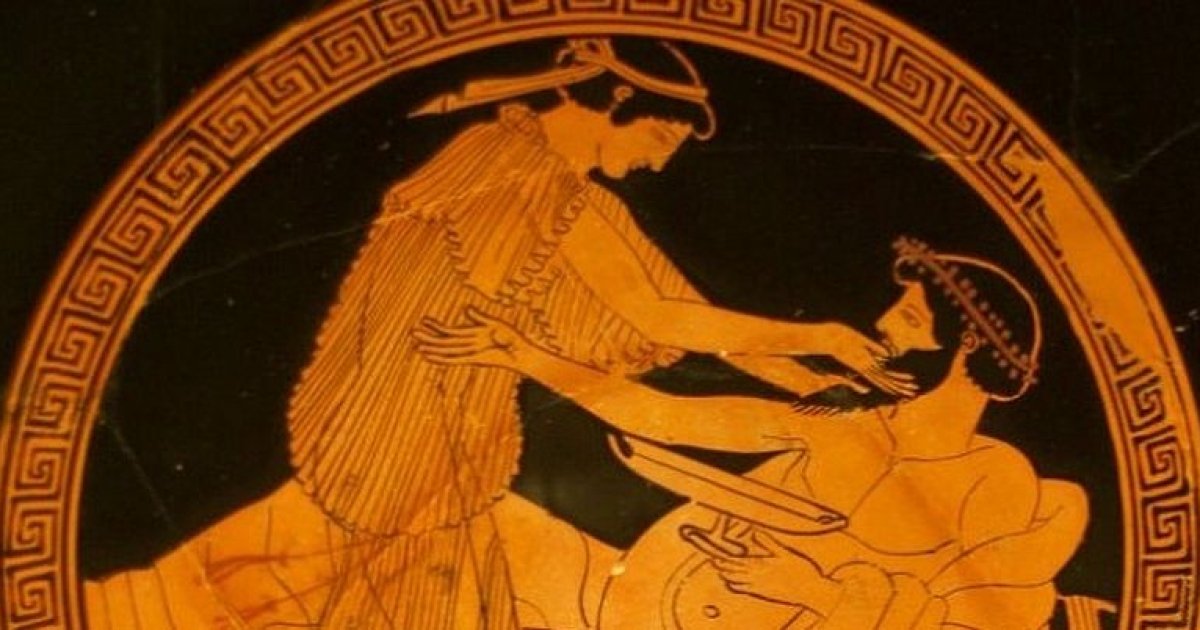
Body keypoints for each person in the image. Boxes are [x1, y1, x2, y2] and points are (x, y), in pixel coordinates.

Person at [84, 39, 907, 629]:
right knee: (316, 572)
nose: (659, 163)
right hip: (398, 420)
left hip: (457, 428)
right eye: (659, 138)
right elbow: (655, 316)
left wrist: (813, 379)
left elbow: (681, 312)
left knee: (392, 586)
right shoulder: (505, 166)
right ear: (617, 103)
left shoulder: (565, 190)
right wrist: (825, 340)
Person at [415, 237, 1090, 629]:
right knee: (471, 521)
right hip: (650, 608)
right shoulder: (838, 424)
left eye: (912, 319)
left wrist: (811, 589)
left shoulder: (994, 482)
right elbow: (662, 418)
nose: (885, 326)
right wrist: (523, 354)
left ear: (970, 349)